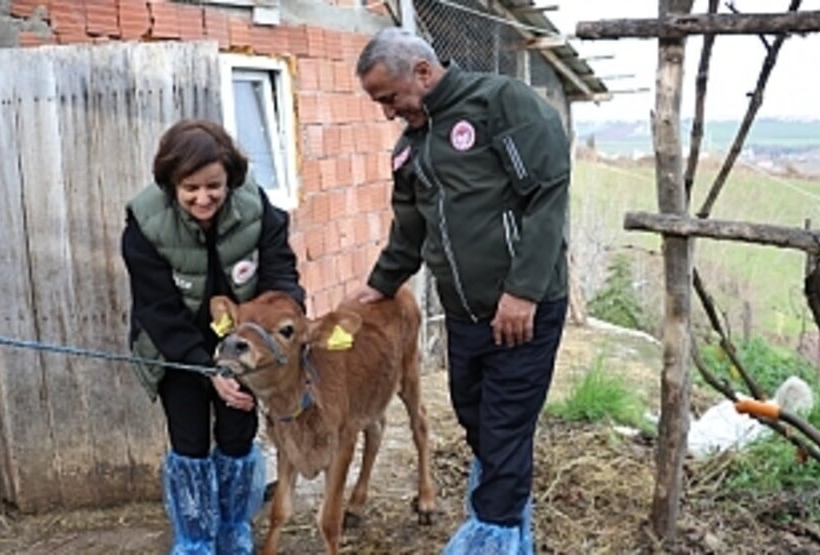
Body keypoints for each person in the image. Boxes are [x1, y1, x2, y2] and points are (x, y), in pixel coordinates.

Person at [349, 28, 571, 554]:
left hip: (523, 310)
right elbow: (408, 232)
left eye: (389, 98)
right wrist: (376, 287)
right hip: (466, 315)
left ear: (422, 73)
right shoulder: (411, 149)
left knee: (502, 433)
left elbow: (546, 192)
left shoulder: (500, 104)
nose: (387, 113)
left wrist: (522, 291)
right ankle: (511, 537)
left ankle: (491, 537)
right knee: (480, 429)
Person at [121, 119, 305, 555]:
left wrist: (281, 321)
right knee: (189, 441)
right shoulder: (144, 227)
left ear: (230, 178)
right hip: (177, 348)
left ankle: (233, 529)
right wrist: (206, 369)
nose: (203, 198)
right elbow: (157, 310)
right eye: (190, 189)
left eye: (214, 186)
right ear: (171, 185)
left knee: (237, 434)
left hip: (243, 342)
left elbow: (280, 271)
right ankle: (196, 540)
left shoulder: (257, 209)